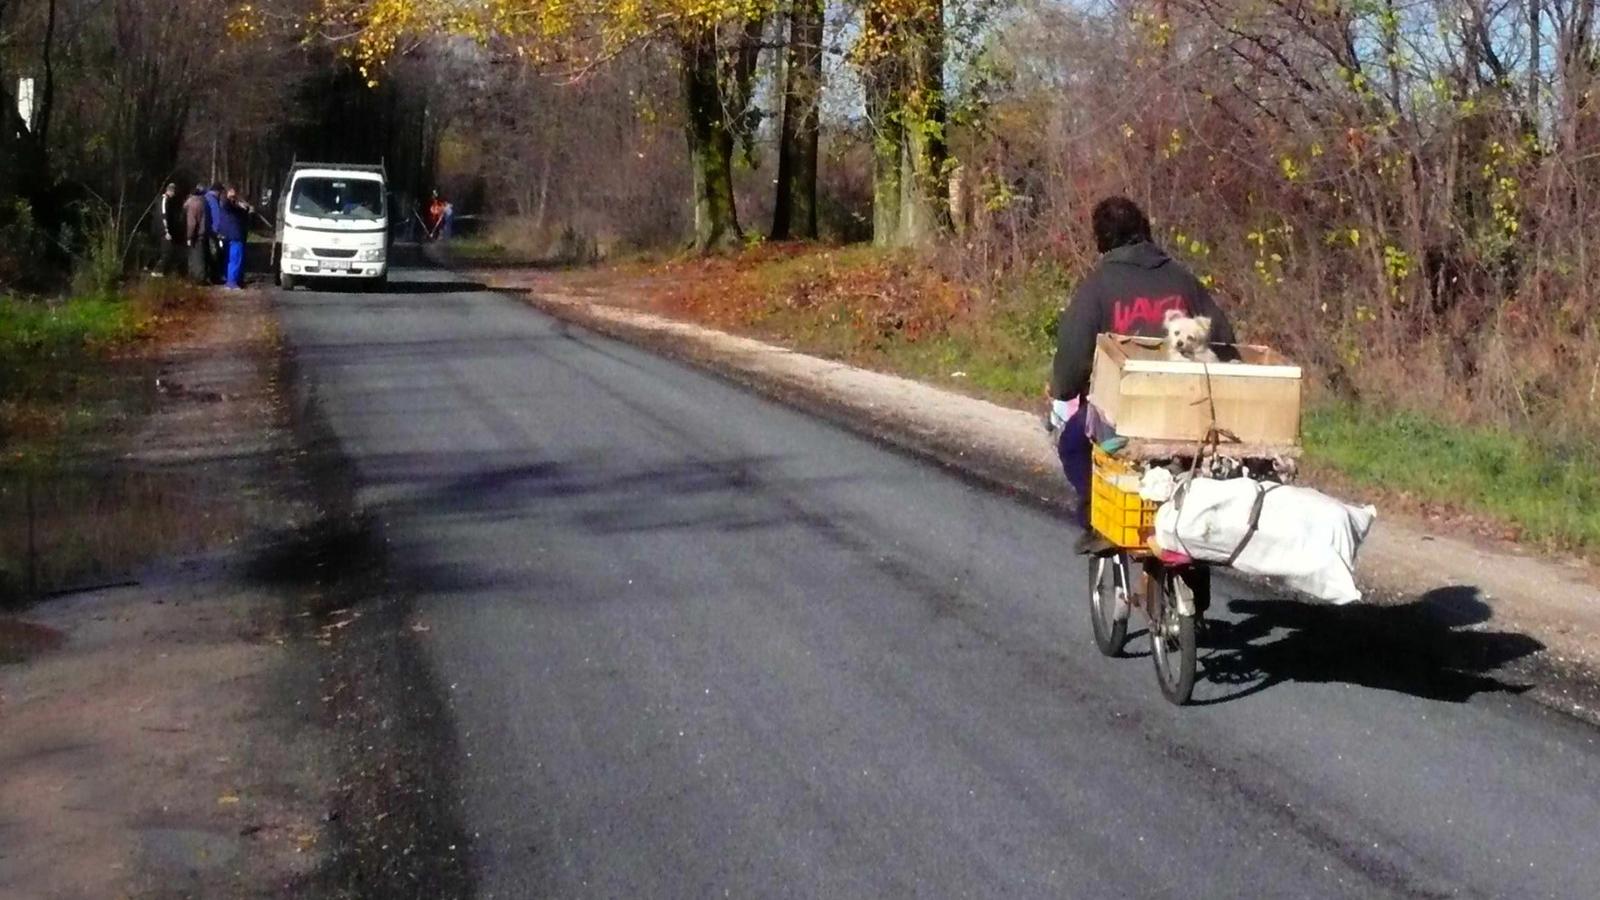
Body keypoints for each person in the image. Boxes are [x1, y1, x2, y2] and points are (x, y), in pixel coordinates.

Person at [1049, 196, 1239, 556]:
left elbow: (1072, 360)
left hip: (1124, 418)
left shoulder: (1097, 287)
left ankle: (1098, 518)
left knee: (1072, 445)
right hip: (1190, 412)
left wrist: (1064, 388)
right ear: (1145, 230)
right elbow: (1226, 339)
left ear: (1101, 240)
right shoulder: (1183, 280)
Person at [218, 185, 252, 289]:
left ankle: (232, 280)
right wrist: (246, 208)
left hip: (231, 234)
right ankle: (232, 282)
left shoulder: (230, 205)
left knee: (232, 258)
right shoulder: (227, 204)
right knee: (235, 258)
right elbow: (237, 211)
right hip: (234, 235)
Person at [153, 183, 185, 277]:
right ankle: (157, 270)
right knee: (167, 251)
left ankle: (163, 271)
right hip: (163, 231)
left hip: (163, 230)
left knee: (167, 251)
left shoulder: (166, 201)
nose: (174, 194)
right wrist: (166, 231)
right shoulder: (164, 201)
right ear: (170, 191)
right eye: (173, 192)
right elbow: (163, 216)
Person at [183, 184, 209, 282]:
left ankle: (196, 279)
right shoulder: (202, 202)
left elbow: (191, 223)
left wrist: (189, 237)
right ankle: (200, 277)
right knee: (200, 257)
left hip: (195, 235)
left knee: (195, 257)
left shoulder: (192, 204)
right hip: (201, 233)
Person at [204, 183, 226, 283]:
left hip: (208, 231)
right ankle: (214, 277)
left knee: (212, 253)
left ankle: (213, 276)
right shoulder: (212, 200)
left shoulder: (206, 198)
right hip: (212, 232)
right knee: (214, 254)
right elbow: (216, 217)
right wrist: (218, 232)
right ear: (218, 191)